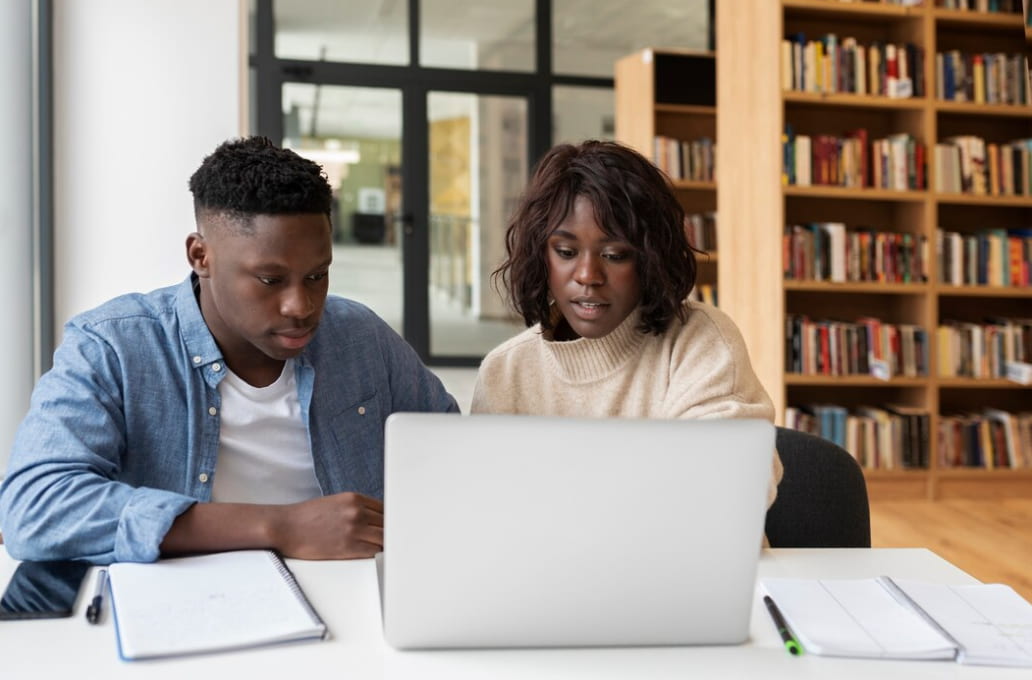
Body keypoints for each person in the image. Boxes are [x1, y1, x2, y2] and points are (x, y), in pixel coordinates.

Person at [0, 136, 458, 564]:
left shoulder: (360, 337)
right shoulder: (113, 346)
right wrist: (279, 526)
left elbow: (457, 458)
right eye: (270, 280)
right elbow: (34, 508)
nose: (301, 306)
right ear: (201, 256)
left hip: (354, 598)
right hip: (185, 606)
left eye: (317, 275)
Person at [472, 140, 782, 509]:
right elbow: (488, 507)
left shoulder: (700, 342)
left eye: (615, 255)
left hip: (689, 565)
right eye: (566, 252)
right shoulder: (505, 371)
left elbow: (735, 483)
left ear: (650, 258)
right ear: (542, 255)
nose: (587, 275)